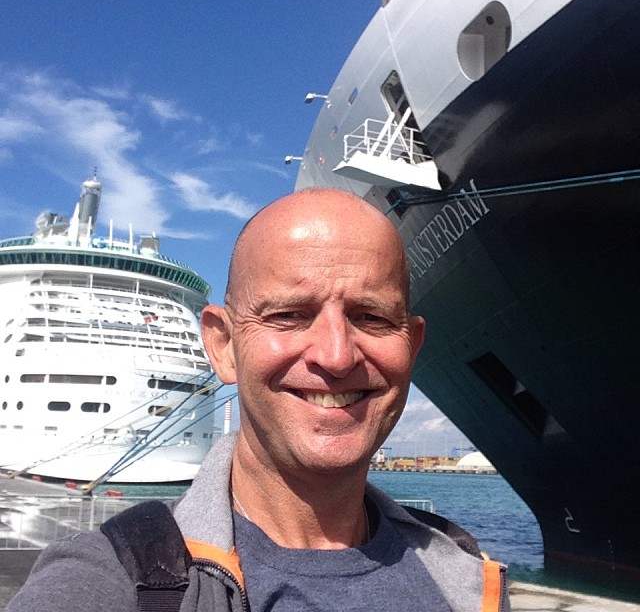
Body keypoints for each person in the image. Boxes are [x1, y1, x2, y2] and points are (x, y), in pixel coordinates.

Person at [8, 188, 510, 611]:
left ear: (413, 345)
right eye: (289, 315)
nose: (336, 357)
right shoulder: (111, 581)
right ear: (222, 346)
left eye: (372, 317)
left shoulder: (467, 575)